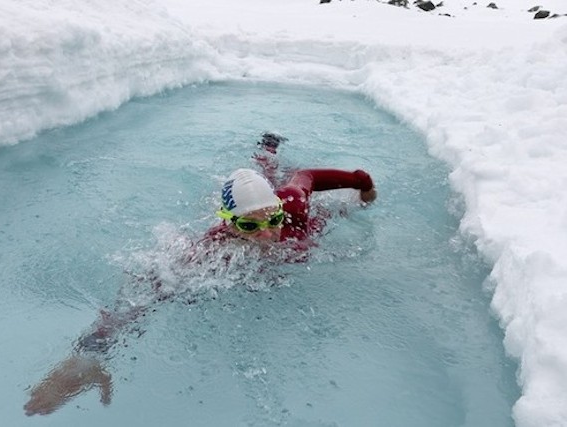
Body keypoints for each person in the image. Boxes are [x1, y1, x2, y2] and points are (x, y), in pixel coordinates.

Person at [24, 133, 376, 416]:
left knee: (285, 185)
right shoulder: (212, 250)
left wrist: (362, 183)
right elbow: (141, 297)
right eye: (249, 225)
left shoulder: (291, 204)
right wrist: (87, 357)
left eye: (271, 218)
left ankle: (268, 149)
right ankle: (266, 153)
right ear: (229, 224)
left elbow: (309, 177)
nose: (266, 232)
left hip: (307, 230)